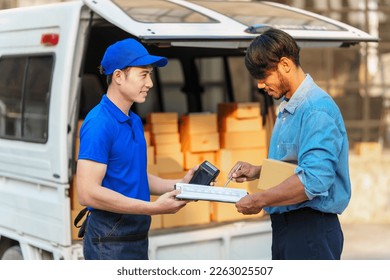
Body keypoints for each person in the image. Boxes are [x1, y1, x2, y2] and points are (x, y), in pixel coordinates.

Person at [227, 28, 351, 260]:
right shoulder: (290, 105)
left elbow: (313, 179)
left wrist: (258, 199)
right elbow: (296, 166)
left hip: (310, 230)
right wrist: (257, 172)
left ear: (285, 64)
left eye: (264, 77)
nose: (261, 86)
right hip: (288, 227)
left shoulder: (316, 109)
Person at [76, 38, 196, 260]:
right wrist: (153, 208)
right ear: (119, 76)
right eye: (143, 74)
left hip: (135, 235)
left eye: (150, 74)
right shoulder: (99, 123)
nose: (150, 83)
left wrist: (181, 185)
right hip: (110, 240)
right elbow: (87, 192)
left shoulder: (133, 120)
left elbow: (135, 176)